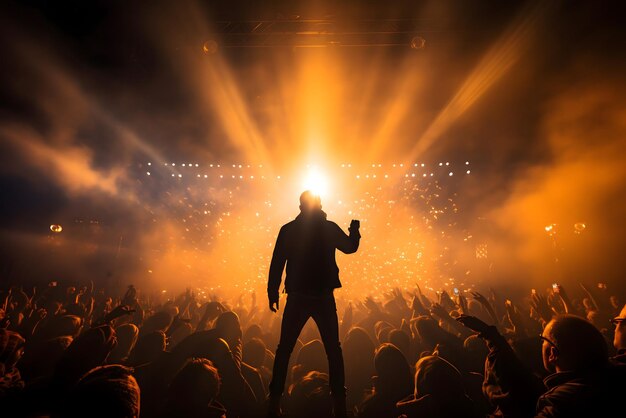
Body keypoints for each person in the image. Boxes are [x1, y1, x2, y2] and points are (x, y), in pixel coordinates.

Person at [267, 190, 361, 418]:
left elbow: (277, 262)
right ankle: (339, 403)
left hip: (297, 295)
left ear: (300, 206)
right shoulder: (328, 228)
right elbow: (350, 247)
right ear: (319, 205)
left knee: (284, 350)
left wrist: (272, 292)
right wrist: (355, 231)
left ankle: (274, 401)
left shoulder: (288, 229)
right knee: (333, 350)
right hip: (322, 295)